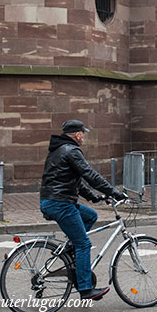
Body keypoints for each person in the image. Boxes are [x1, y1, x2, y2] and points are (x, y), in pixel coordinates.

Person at [40, 120, 126, 301]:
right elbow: (90, 175)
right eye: (83, 133)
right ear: (77, 134)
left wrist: (94, 197)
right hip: (60, 203)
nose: (84, 137)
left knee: (91, 215)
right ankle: (86, 289)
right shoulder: (71, 151)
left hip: (53, 200)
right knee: (84, 244)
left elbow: (75, 181)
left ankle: (72, 252)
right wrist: (115, 192)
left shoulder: (59, 150)